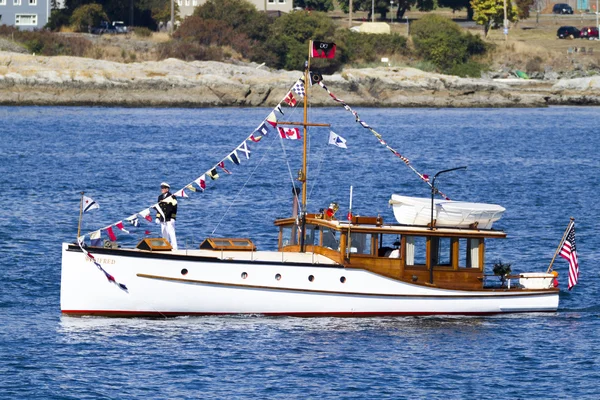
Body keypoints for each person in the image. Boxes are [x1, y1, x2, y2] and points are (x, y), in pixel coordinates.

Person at [156, 182, 178, 250]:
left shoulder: (172, 196)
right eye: (161, 188)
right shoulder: (160, 197)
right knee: (164, 233)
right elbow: (158, 208)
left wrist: (173, 217)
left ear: (167, 189)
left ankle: (174, 247)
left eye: (163, 188)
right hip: (162, 218)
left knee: (171, 233)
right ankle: (166, 246)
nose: (161, 189)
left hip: (169, 218)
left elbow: (175, 208)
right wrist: (157, 217)